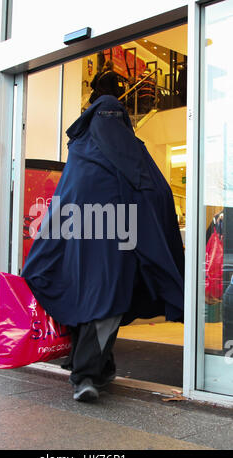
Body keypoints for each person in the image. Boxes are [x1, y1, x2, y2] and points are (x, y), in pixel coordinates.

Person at [22, 91, 184, 403]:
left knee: (97, 307)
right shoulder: (128, 150)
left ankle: (98, 368)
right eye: (105, 118)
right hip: (110, 251)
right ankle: (85, 375)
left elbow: (63, 205)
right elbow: (156, 193)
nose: (110, 125)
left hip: (94, 251)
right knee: (105, 306)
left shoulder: (81, 152)